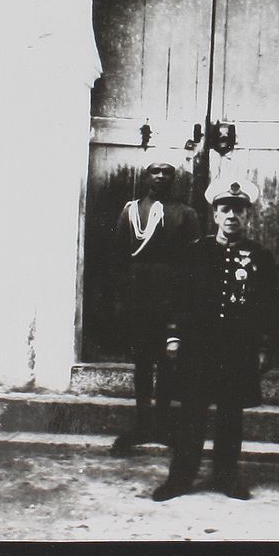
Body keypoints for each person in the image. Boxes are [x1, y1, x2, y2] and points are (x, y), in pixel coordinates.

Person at [151, 178, 277, 501]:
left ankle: (225, 477)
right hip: (198, 349)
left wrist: (263, 347)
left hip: (237, 350)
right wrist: (173, 337)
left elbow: (266, 307)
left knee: (231, 417)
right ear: (216, 216)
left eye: (238, 210)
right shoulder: (195, 252)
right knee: (191, 415)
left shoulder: (259, 256)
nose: (232, 215)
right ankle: (180, 478)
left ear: (247, 216)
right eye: (225, 209)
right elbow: (177, 298)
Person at [110, 154, 199, 455]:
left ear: (173, 178)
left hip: (171, 298)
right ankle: (141, 424)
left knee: (169, 362)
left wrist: (184, 304)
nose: (161, 176)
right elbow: (120, 259)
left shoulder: (185, 214)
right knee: (142, 363)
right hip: (138, 299)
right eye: (155, 171)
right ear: (146, 175)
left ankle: (163, 425)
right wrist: (122, 299)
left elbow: (192, 264)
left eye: (167, 172)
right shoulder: (130, 212)